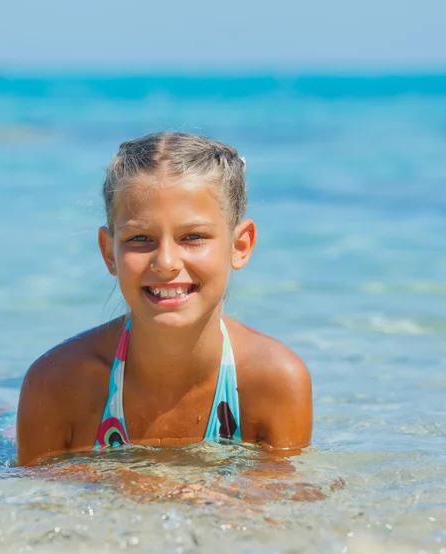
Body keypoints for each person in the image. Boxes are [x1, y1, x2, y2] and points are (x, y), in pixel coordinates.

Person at [16, 132, 312, 467]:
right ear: (108, 252)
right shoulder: (58, 383)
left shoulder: (274, 381)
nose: (166, 262)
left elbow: (283, 510)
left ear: (239, 246)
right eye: (140, 238)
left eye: (193, 237)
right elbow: (36, 508)